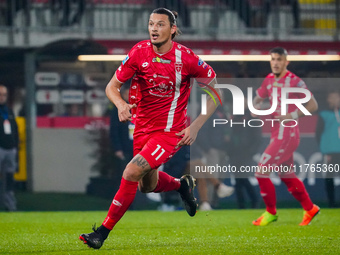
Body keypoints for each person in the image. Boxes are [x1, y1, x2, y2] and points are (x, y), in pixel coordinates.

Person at [79, 7, 221, 249]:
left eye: (160, 24)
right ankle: (181, 185)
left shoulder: (186, 58)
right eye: (151, 24)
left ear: (173, 29)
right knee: (147, 185)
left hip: (169, 133)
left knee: (131, 172)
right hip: (141, 130)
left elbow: (215, 93)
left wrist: (195, 126)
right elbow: (111, 87)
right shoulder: (138, 52)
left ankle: (101, 233)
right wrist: (121, 104)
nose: (154, 29)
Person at [251, 47, 319, 226]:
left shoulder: (295, 81)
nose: (275, 63)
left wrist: (291, 116)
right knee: (287, 175)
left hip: (287, 134)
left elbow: (312, 105)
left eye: (279, 59)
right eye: (273, 59)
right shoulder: (268, 80)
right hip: (276, 134)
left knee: (261, 171)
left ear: (286, 62)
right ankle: (310, 208)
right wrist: (255, 108)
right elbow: (257, 100)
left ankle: (270, 213)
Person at [228, 103, 260, 209]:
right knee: (238, 180)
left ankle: (253, 201)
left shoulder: (252, 118)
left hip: (245, 154)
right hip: (234, 153)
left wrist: (250, 152)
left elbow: (257, 138)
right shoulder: (233, 118)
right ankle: (242, 204)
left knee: (243, 178)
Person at [316, 90, 340, 208]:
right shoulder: (324, 114)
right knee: (329, 177)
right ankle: (331, 202)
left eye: (335, 97)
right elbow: (318, 133)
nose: (333, 100)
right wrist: (324, 149)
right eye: (331, 98)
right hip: (330, 151)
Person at [0, 84, 19, 212]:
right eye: (0, 94)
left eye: (4, 94)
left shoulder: (9, 110)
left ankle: (10, 205)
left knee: (9, 177)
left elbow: (15, 129)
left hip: (10, 149)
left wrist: (15, 144)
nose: (2, 97)